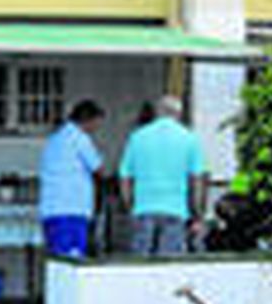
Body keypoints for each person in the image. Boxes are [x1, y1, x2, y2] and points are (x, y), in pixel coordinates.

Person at [119, 95, 207, 256]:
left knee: (140, 263)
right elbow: (197, 181)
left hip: (143, 208)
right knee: (169, 264)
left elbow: (125, 177)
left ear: (157, 113)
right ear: (179, 114)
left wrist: (129, 205)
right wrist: (197, 214)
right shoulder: (189, 139)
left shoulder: (137, 137)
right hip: (176, 210)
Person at [37, 100, 106, 258]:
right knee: (73, 260)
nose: (96, 129)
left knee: (57, 260)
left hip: (51, 211)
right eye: (96, 123)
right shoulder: (80, 138)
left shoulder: (54, 138)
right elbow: (99, 169)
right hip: (72, 210)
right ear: (87, 120)